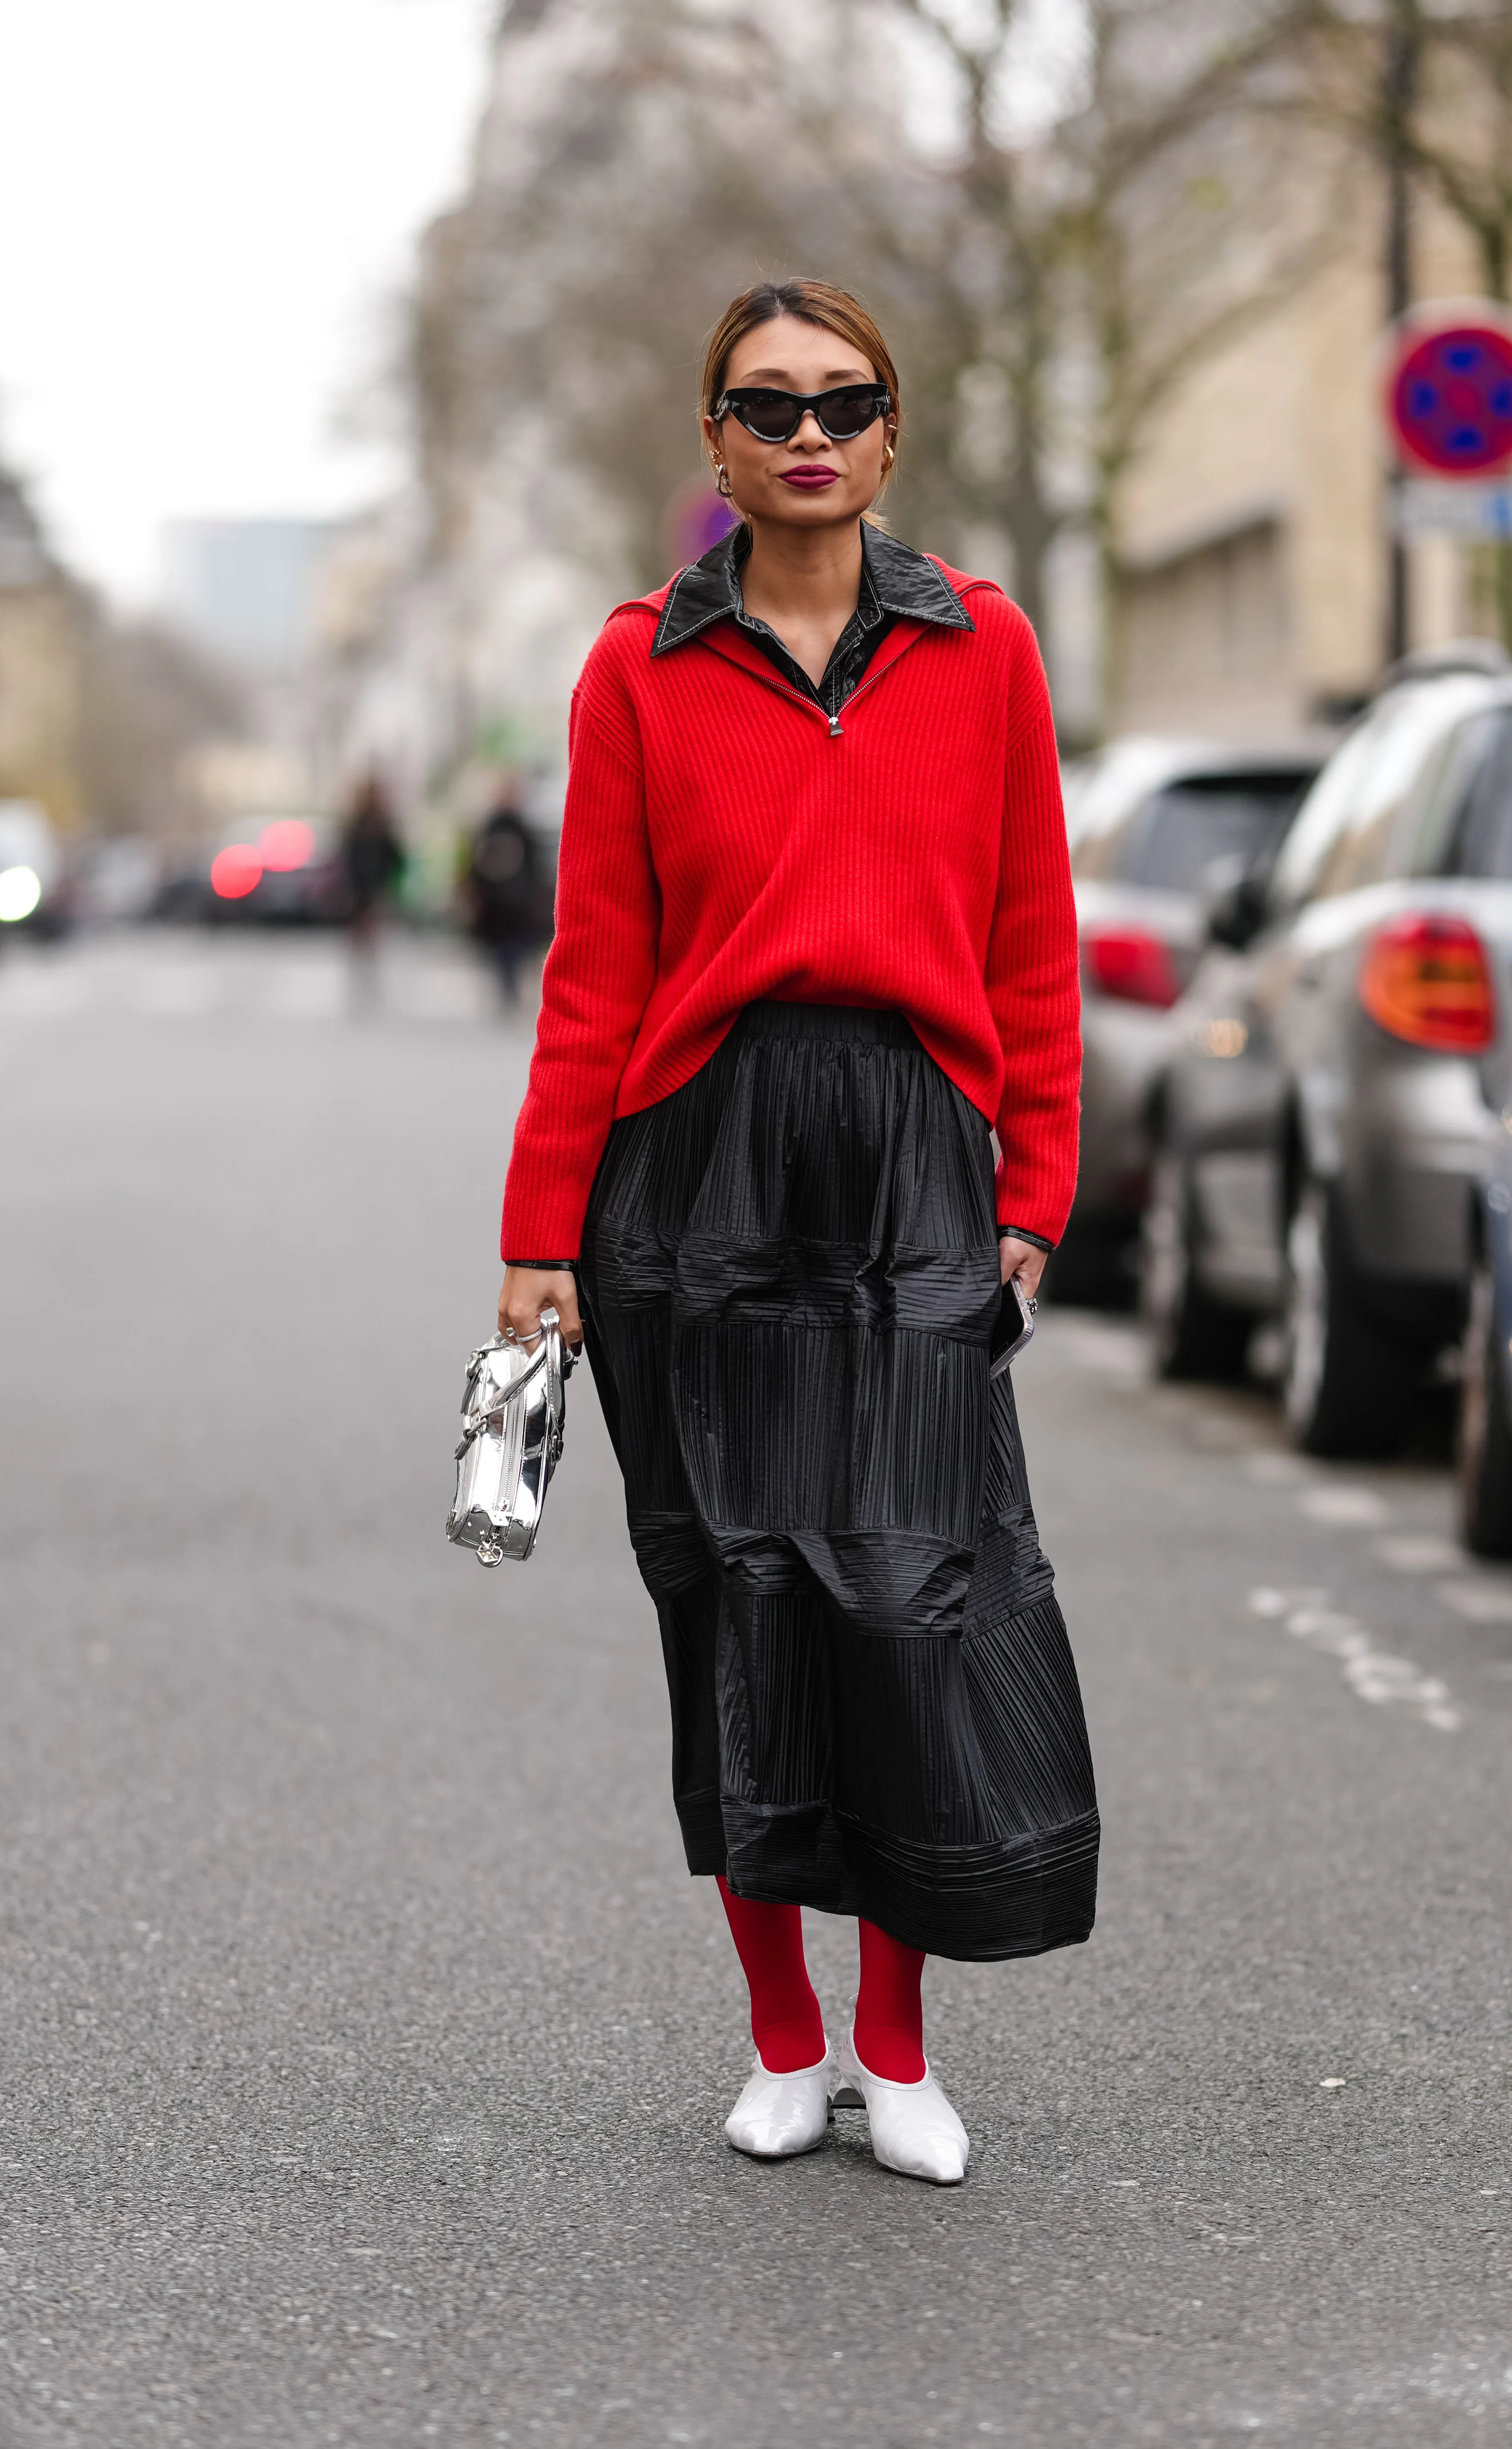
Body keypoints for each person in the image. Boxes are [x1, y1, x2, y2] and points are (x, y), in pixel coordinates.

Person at [493, 279, 1092, 2186]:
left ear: (891, 433)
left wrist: (1032, 1190)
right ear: (717, 442)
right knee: (735, 1597)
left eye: (843, 400)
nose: (807, 431)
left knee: (905, 1597)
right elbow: (593, 971)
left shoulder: (983, 645)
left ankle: (895, 2049)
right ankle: (779, 2038)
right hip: (692, 1173)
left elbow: (1032, 936)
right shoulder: (636, 668)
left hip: (911, 1155)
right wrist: (538, 1233)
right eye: (766, 405)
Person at [462, 787, 549, 1013]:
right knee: (502, 949)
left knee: (512, 949)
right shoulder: (494, 827)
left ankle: (509, 988)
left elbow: (534, 866)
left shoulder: (517, 828)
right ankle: (507, 988)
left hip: (514, 903)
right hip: (499, 904)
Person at [337, 775, 405, 1007]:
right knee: (360, 929)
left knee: (371, 927)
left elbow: (395, 854)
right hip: (359, 884)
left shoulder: (382, 823)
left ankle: (370, 969)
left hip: (376, 883)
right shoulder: (357, 822)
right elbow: (347, 853)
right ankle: (361, 969)